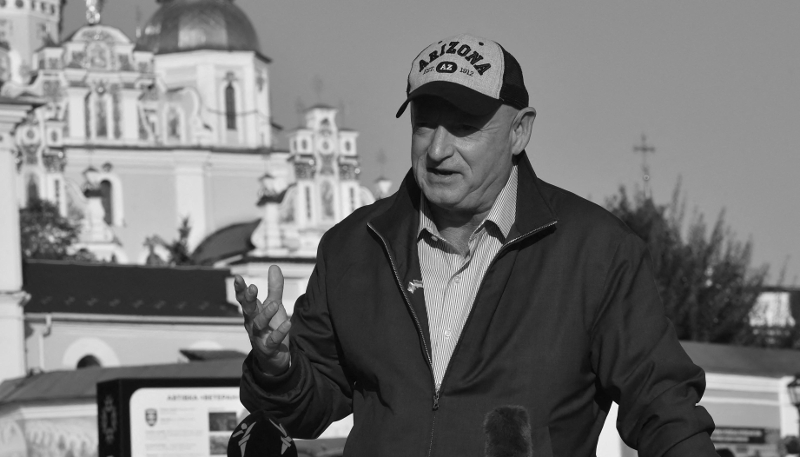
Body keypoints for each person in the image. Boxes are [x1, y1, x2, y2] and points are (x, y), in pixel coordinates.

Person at [236, 33, 717, 456]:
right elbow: (306, 407)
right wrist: (277, 365)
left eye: (464, 126)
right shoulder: (354, 247)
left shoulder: (595, 250)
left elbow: (661, 404)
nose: (439, 149)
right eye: (425, 123)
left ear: (520, 131)